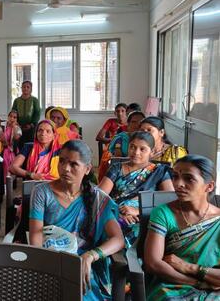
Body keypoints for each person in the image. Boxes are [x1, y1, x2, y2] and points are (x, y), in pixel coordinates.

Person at [29, 140, 125, 300]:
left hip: (83, 262)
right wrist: (44, 264)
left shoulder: (97, 199)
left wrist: (90, 256)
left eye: (74, 164)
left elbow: (118, 239)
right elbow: (36, 235)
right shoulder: (42, 192)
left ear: (87, 169)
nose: (65, 168)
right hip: (49, 257)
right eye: (62, 161)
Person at [145, 155, 220, 300]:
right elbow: (153, 264)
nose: (178, 184)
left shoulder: (217, 220)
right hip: (172, 285)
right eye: (175, 176)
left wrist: (188, 267)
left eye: (189, 178)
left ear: (209, 186)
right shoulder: (163, 213)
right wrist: (197, 283)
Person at [98, 131, 174, 246]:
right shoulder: (116, 168)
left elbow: (169, 200)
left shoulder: (159, 171)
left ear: (152, 152)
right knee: (109, 229)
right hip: (114, 213)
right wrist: (118, 213)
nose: (136, 152)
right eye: (132, 147)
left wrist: (138, 211)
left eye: (142, 149)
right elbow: (100, 196)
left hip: (145, 216)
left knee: (143, 232)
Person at [98, 111, 146, 181]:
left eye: (140, 122)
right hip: (122, 174)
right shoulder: (120, 139)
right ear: (128, 124)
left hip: (143, 174)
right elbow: (117, 161)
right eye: (133, 122)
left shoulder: (147, 141)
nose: (137, 125)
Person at [11, 81, 40, 146]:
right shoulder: (16, 100)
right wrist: (16, 124)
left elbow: (37, 113)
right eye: (24, 87)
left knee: (30, 146)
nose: (26, 88)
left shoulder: (34, 100)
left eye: (28, 87)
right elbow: (13, 113)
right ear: (21, 88)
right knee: (18, 145)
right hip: (18, 127)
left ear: (31, 89)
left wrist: (31, 125)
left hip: (32, 128)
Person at [2, 110, 23, 182]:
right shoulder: (3, 126)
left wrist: (14, 127)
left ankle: (10, 184)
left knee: (11, 168)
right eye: (10, 116)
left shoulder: (18, 129)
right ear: (8, 117)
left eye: (15, 117)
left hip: (12, 151)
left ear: (17, 119)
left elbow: (16, 138)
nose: (12, 119)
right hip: (2, 150)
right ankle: (3, 184)